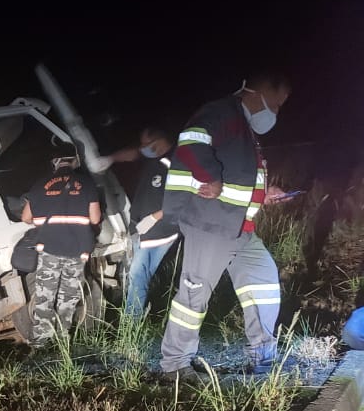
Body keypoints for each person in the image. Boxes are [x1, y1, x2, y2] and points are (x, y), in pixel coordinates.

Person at [158, 73, 295, 383]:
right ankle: (175, 367)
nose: (276, 110)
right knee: (194, 295)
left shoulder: (244, 128)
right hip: (212, 224)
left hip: (241, 228)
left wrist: (265, 194)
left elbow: (241, 177)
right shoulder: (222, 113)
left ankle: (262, 359)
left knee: (264, 283)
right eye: (277, 102)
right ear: (261, 91)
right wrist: (210, 176)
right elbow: (192, 140)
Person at [21, 154, 103, 348]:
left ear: (54, 163)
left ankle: (42, 340)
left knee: (45, 294)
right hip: (76, 250)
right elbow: (95, 218)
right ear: (74, 162)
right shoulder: (87, 184)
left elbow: (25, 217)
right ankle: (62, 337)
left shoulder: (39, 184)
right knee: (68, 295)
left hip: (49, 248)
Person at [123, 126, 178, 316]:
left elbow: (183, 197)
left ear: (159, 140)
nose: (143, 148)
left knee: (138, 275)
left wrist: (154, 217)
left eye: (146, 144)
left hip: (159, 230)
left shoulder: (174, 162)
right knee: (138, 275)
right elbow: (132, 154)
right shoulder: (153, 161)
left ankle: (131, 325)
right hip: (142, 229)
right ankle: (133, 319)